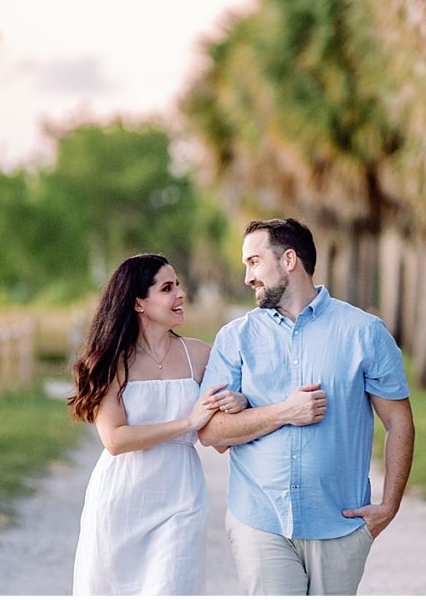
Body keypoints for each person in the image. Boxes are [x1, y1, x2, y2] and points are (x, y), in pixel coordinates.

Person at [198, 218, 415, 596]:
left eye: (254, 261)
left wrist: (389, 506)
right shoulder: (236, 337)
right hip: (259, 521)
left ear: (289, 260)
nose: (248, 276)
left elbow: (399, 422)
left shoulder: (365, 332)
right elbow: (210, 432)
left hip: (341, 524)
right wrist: (286, 411)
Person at [69, 253, 246, 595]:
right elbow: (115, 439)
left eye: (178, 285)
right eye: (167, 288)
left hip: (181, 496)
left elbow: (222, 436)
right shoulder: (113, 361)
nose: (180, 294)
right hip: (120, 498)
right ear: (138, 302)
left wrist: (239, 402)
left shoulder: (200, 355)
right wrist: (187, 423)